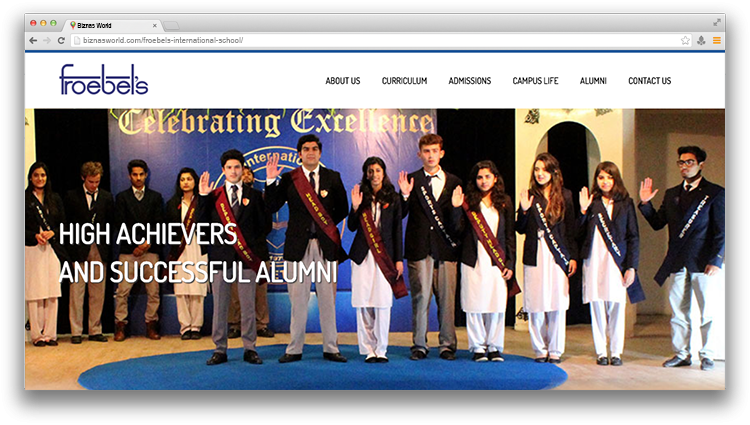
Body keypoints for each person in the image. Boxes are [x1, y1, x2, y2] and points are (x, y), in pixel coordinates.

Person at [638, 146, 725, 371]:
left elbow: (721, 231)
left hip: (703, 262)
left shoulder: (715, 193)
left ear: (700, 165)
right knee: (678, 312)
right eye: (681, 162)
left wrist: (716, 259)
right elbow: (658, 223)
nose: (684, 166)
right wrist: (645, 204)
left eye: (689, 162)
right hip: (676, 261)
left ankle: (707, 355)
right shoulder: (671, 194)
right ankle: (682, 353)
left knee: (707, 312)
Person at [265, 134, 349, 363]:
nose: (310, 152)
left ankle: (331, 347)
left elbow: (342, 208)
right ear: (299, 154)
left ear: (320, 152)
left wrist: (324, 227)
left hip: (325, 247)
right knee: (298, 300)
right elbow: (271, 205)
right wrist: (271, 181)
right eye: (306, 149)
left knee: (327, 300)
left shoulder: (333, 177)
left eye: (314, 149)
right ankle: (294, 348)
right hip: (297, 247)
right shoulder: (289, 178)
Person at [199, 150, 272, 366]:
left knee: (248, 306)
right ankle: (219, 349)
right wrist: (202, 197)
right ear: (223, 170)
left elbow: (264, 226)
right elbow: (201, 226)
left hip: (247, 259)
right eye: (229, 167)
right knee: (220, 306)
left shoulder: (255, 195)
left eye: (237, 167)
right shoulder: (213, 196)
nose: (233, 171)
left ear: (242, 169)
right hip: (220, 258)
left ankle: (250, 348)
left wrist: (253, 250)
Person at [398, 133, 463, 361]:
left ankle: (447, 345)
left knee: (447, 300)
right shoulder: (412, 180)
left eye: (435, 151)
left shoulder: (454, 182)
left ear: (441, 153)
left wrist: (456, 208)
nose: (431, 155)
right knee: (421, 298)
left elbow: (458, 223)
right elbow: (400, 215)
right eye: (426, 151)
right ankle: (419, 345)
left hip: (446, 249)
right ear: (419, 154)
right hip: (420, 249)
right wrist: (404, 196)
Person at [516, 153, 578, 364]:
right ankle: (540, 349)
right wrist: (524, 212)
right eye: (537, 169)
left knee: (557, 302)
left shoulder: (566, 196)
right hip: (535, 254)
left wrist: (573, 256)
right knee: (536, 303)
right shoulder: (530, 196)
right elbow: (520, 228)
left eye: (544, 169)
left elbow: (571, 229)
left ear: (553, 172)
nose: (540, 174)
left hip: (558, 255)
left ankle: (555, 350)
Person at [579, 161, 642, 366]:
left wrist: (631, 266)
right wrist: (583, 211)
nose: (605, 181)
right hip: (594, 260)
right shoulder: (592, 202)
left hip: (617, 262)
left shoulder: (626, 203)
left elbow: (633, 236)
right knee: (597, 306)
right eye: (601, 177)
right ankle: (601, 352)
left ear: (616, 179)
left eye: (609, 177)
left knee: (616, 306)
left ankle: (616, 352)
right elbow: (578, 233)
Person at [453, 161, 516, 362]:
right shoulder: (468, 202)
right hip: (473, 260)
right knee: (474, 304)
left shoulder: (504, 202)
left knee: (496, 304)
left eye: (488, 176)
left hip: (497, 261)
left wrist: (510, 263)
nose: (484, 181)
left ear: (495, 178)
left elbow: (509, 236)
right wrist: (456, 209)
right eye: (480, 177)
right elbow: (457, 231)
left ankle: (495, 347)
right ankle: (478, 347)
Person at [348, 157, 405, 363]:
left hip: (385, 256)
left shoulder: (393, 197)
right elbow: (352, 227)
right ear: (366, 174)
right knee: (363, 302)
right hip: (362, 255)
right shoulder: (360, 195)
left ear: (384, 172)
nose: (374, 175)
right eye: (370, 171)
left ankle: (381, 349)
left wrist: (398, 259)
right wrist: (355, 208)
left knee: (382, 302)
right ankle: (367, 349)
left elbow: (397, 230)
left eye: (378, 170)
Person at [63, 161, 114, 344]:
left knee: (98, 292)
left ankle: (95, 329)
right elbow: (66, 224)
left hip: (99, 248)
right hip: (78, 249)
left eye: (97, 181)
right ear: (83, 178)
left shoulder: (106, 197)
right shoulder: (71, 196)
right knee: (76, 292)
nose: (94, 185)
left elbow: (111, 223)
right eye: (91, 182)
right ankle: (76, 331)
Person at [114, 159, 165, 341]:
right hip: (128, 251)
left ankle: (151, 324)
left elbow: (159, 223)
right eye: (134, 174)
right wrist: (134, 246)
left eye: (141, 174)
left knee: (153, 290)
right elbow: (119, 224)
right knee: (122, 291)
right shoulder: (122, 197)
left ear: (146, 175)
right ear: (129, 176)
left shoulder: (155, 197)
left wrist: (146, 243)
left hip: (150, 250)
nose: (138, 178)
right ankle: (120, 325)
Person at [25, 162, 67, 347]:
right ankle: (36, 334)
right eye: (36, 175)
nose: (39, 178)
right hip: (33, 248)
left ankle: (50, 334)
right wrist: (34, 235)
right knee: (35, 292)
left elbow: (64, 224)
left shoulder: (54, 198)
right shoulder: (26, 199)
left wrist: (53, 233)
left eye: (42, 175)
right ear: (30, 177)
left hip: (52, 248)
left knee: (52, 291)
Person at [166, 168, 208, 341]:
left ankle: (196, 326)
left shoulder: (202, 201)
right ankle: (185, 327)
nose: (185, 182)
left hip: (198, 248)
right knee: (182, 290)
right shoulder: (172, 203)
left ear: (195, 181)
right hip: (180, 250)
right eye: (182, 179)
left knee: (197, 289)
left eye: (189, 179)